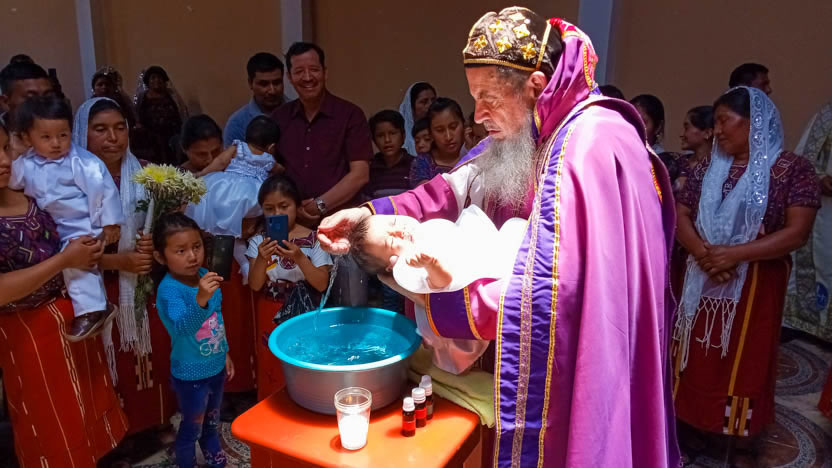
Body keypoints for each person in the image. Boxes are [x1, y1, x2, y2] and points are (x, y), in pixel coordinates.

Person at [318, 9, 679, 467]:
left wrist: (443, 298)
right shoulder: (523, 130)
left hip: (580, 355)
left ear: (535, 85)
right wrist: (367, 216)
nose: (477, 115)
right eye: (474, 98)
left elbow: (560, 292)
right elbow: (447, 192)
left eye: (488, 98)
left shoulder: (588, 144)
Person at [672, 87, 819, 466]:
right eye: (716, 122)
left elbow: (797, 232)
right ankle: (689, 426)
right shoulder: (705, 167)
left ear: (754, 124)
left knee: (743, 362)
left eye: (725, 121)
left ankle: (737, 438)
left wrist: (735, 254)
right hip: (701, 277)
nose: (717, 130)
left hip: (754, 286)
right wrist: (703, 252)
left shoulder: (791, 169)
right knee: (695, 356)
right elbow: (680, 213)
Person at [0, 120, 129, 466]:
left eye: (5, 148)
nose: (4, 160)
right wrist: (63, 261)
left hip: (73, 319)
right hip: (28, 333)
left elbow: (73, 237)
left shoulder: (29, 189)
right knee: (52, 419)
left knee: (87, 404)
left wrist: (99, 253)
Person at [73, 97, 178, 448]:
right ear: (82, 133)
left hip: (141, 283)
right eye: (100, 129)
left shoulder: (147, 174)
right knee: (107, 359)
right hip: (94, 288)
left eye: (120, 128)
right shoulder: (69, 183)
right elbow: (66, 252)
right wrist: (121, 261)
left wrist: (156, 241)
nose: (113, 138)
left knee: (152, 351)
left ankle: (154, 420)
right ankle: (113, 438)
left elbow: (167, 229)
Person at [349, 205, 522, 374]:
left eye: (393, 222)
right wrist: (432, 266)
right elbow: (443, 282)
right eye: (392, 241)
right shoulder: (409, 265)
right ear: (390, 264)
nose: (399, 231)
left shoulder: (419, 234)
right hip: (467, 298)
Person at [10, 95, 123, 340]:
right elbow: (11, 181)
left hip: (81, 223)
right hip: (51, 225)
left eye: (63, 135)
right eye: (46, 137)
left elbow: (104, 187)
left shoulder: (81, 161)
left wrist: (110, 221)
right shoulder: (26, 164)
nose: (56, 143)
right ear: (28, 138)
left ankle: (93, 310)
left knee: (76, 263)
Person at [153, 212, 233, 468]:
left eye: (196, 247)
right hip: (190, 374)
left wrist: (225, 351)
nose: (192, 256)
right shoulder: (169, 290)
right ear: (160, 257)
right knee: (192, 428)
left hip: (215, 366)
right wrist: (200, 298)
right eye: (181, 251)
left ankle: (215, 458)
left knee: (212, 422)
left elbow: (217, 317)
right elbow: (182, 328)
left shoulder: (205, 274)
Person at [247, 175, 333, 398]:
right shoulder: (259, 242)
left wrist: (300, 258)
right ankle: (271, 405)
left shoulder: (315, 239)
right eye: (269, 209)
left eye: (284, 206)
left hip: (305, 309)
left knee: (305, 356)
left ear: (297, 205)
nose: (277, 213)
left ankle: (308, 402)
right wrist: (261, 259)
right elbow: (255, 285)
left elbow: (321, 283)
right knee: (272, 359)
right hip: (270, 309)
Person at [272, 41, 372, 227]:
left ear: (325, 73)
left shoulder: (350, 115)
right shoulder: (279, 118)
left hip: (342, 223)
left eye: (314, 70)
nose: (307, 77)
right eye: (299, 71)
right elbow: (270, 171)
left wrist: (318, 206)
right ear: (289, 77)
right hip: (292, 224)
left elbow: (360, 174)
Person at [787, 99, 832, 410]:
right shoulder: (826, 116)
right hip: (826, 211)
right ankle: (810, 323)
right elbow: (804, 162)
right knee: (822, 260)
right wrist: (821, 179)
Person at [187, 115, 280, 238]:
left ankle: (216, 231)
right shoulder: (269, 159)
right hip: (252, 192)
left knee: (212, 199)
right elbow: (280, 171)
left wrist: (201, 174)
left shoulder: (238, 147)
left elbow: (220, 162)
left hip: (227, 186)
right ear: (271, 147)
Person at [225, 52, 286, 146]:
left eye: (277, 82)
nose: (272, 91)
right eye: (264, 84)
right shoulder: (237, 124)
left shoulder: (299, 112)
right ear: (250, 83)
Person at [134, 65, 187, 165]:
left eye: (159, 77)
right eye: (153, 78)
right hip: (149, 136)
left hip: (171, 134)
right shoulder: (143, 97)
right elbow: (137, 115)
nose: (157, 80)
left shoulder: (171, 96)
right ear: (148, 81)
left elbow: (179, 114)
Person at [409, 97, 465, 187]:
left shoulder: (476, 156)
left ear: (464, 125)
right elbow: (425, 193)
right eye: (440, 130)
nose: (448, 137)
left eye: (453, 127)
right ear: (431, 134)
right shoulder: (423, 162)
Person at [0, 61, 52, 157]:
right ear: (5, 102)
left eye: (47, 96)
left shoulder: (59, 133)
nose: (42, 103)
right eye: (31, 98)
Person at [364, 109, 414, 199]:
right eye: (380, 135)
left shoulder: (415, 165)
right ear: (374, 140)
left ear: (403, 136)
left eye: (392, 133)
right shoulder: (370, 169)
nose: (387, 140)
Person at [677, 105, 714, 191]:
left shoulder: (719, 170)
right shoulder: (679, 163)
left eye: (686, 128)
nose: (681, 134)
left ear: (707, 133)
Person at [399, 82, 437, 155]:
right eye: (424, 102)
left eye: (433, 100)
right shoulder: (403, 143)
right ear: (411, 107)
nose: (431, 105)